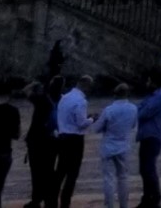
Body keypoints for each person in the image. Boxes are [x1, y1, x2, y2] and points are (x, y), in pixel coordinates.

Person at [93, 86, 137, 208]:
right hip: (124, 145)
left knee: (108, 178)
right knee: (123, 177)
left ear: (115, 94)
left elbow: (97, 128)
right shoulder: (133, 108)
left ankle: (109, 205)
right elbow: (133, 125)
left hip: (108, 146)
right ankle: (124, 204)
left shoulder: (109, 110)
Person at [51, 79, 91, 208]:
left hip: (62, 137)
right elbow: (81, 123)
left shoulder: (65, 98)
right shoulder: (81, 101)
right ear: (86, 86)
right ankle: (65, 202)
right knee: (72, 173)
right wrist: (91, 119)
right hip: (75, 139)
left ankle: (52, 201)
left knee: (60, 171)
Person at [134, 78, 161, 208]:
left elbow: (143, 112)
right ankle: (148, 197)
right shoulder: (153, 95)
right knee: (145, 169)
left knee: (148, 168)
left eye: (149, 80)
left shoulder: (159, 97)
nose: (147, 83)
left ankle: (154, 198)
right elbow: (140, 107)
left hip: (152, 135)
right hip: (147, 135)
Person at [22, 81, 56, 208]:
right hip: (47, 139)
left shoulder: (40, 100)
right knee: (47, 171)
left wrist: (34, 83)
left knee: (36, 172)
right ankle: (47, 198)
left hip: (36, 141)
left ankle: (36, 199)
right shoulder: (50, 102)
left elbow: (25, 90)